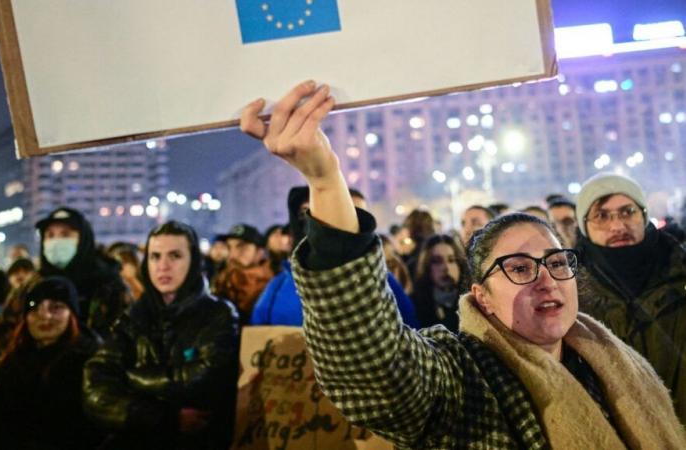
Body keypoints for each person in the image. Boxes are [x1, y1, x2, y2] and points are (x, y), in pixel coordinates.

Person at [240, 81, 685, 448]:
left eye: (555, 261)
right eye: (519, 267)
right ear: (482, 297)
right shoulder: (465, 378)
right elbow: (377, 369)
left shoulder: (609, 358)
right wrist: (324, 180)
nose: (545, 279)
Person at [83, 221, 240, 450]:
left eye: (175, 255)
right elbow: (95, 387)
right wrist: (162, 418)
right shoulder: (133, 317)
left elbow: (205, 378)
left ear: (193, 261)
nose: (163, 266)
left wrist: (129, 377)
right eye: (155, 256)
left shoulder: (219, 314)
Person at [575, 172, 686, 424]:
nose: (618, 227)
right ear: (584, 226)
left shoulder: (680, 275)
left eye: (628, 212)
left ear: (644, 216)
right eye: (602, 216)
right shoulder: (570, 295)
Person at [250, 185, 419, 328]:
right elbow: (259, 346)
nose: (314, 223)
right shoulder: (277, 287)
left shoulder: (378, 278)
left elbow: (410, 334)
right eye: (305, 214)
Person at [0, 276, 102, 450]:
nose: (45, 315)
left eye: (56, 307)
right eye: (34, 308)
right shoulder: (7, 364)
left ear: (72, 314)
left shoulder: (91, 364)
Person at [36, 207, 129, 337]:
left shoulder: (108, 284)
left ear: (83, 239)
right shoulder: (34, 285)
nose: (56, 241)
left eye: (65, 234)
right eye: (50, 235)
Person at [212, 223, 274, 325]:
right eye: (229, 247)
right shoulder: (222, 279)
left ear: (260, 252)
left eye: (242, 247)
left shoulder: (273, 285)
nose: (233, 254)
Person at [411, 234, 470, 331]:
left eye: (451, 260)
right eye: (437, 261)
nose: (446, 268)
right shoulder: (415, 304)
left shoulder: (474, 301)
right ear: (426, 266)